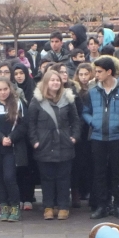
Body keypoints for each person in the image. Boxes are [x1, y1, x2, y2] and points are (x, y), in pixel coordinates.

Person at [83, 57, 119, 220]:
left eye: (99, 71)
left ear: (109, 72)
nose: (96, 75)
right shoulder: (92, 92)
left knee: (118, 172)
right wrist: (92, 121)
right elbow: (85, 111)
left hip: (117, 137)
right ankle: (102, 205)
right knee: (99, 172)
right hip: (98, 137)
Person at [28, 70, 79, 220]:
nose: (55, 83)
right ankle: (48, 206)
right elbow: (31, 123)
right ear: (46, 82)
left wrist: (74, 137)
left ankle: (63, 206)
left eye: (57, 80)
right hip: (44, 144)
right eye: (52, 80)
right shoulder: (37, 101)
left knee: (64, 177)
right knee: (47, 178)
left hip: (64, 143)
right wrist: (35, 141)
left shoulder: (68, 99)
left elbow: (75, 120)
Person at [0, 77, 27, 222]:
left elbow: (24, 126)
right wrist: (0, 138)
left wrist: (11, 138)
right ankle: (4, 207)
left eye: (5, 89)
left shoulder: (18, 104)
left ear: (10, 89)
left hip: (12, 148)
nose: (3, 93)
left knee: (9, 177)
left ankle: (14, 206)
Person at [71, 63, 94, 208]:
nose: (84, 77)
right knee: (77, 163)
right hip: (80, 129)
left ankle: (88, 190)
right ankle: (76, 192)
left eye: (86, 74)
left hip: (91, 129)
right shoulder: (75, 90)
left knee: (90, 162)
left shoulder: (94, 88)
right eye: (81, 74)